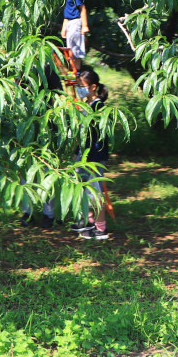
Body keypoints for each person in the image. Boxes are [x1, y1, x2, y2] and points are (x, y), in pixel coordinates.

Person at [72, 70, 111, 240]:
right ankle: (88, 222)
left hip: (94, 156)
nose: (79, 89)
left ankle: (101, 228)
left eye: (81, 86)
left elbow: (97, 135)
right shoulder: (84, 106)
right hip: (83, 156)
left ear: (93, 87)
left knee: (96, 192)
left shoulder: (98, 106)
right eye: (78, 86)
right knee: (84, 189)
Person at [60, 0, 89, 74]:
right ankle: (73, 71)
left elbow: (82, 8)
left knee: (75, 50)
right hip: (69, 22)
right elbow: (67, 11)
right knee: (70, 49)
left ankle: (77, 72)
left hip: (75, 21)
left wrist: (84, 26)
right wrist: (64, 26)